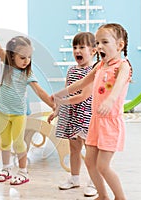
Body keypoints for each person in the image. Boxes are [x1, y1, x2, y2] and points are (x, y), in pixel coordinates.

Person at [53, 23, 132, 200]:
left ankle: (120, 198)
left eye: (105, 42)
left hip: (110, 122)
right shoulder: (99, 66)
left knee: (103, 166)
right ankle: (103, 196)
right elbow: (81, 84)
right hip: (95, 121)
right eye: (97, 43)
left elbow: (118, 87)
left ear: (119, 45)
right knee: (89, 161)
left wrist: (111, 100)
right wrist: (60, 93)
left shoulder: (123, 66)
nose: (99, 46)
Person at [0, 22, 55, 185]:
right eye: (22, 57)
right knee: (4, 141)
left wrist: (54, 106)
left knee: (18, 142)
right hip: (4, 111)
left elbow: (40, 91)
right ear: (12, 56)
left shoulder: (28, 73)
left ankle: (23, 171)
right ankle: (6, 168)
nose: (26, 61)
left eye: (29, 57)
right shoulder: (7, 65)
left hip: (18, 113)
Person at [47, 32, 98, 197]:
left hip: (87, 116)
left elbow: (83, 95)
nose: (77, 50)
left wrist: (60, 101)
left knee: (90, 152)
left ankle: (94, 182)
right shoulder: (71, 70)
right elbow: (67, 94)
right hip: (72, 115)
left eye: (82, 47)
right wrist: (56, 111)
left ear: (94, 51)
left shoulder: (94, 71)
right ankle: (75, 178)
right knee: (74, 149)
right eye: (75, 47)